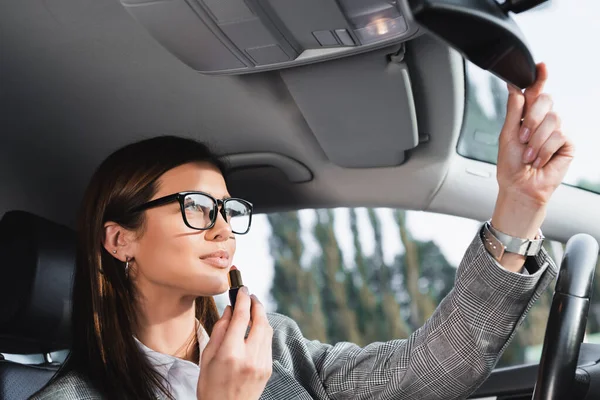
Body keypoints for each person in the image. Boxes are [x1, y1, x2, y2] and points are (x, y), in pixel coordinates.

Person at [31, 63, 574, 400]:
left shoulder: (276, 346)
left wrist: (519, 206)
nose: (224, 230)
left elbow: (424, 375)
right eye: (197, 207)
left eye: (229, 209)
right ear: (120, 240)